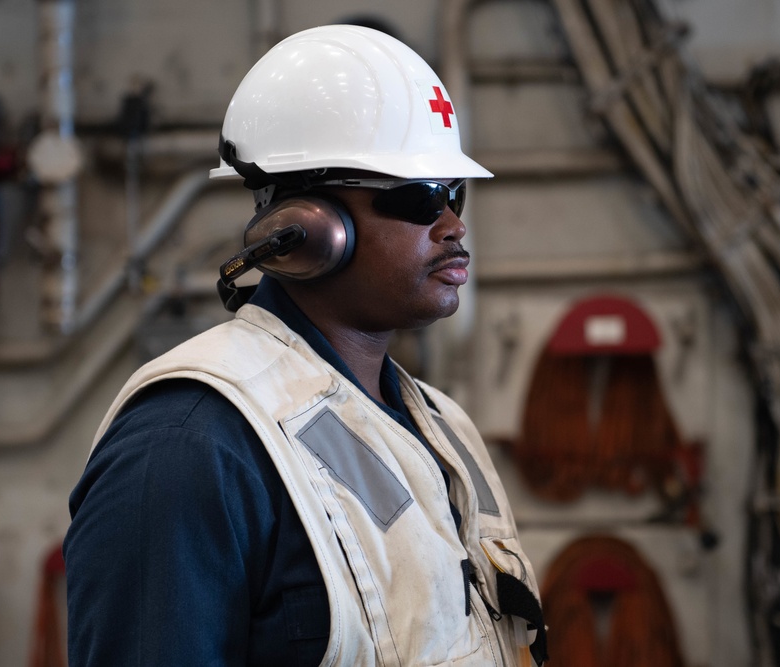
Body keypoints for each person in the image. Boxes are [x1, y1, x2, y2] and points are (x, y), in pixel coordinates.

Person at [64, 24, 547, 667]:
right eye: (419, 197)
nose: (454, 225)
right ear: (306, 231)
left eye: (453, 193)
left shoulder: (443, 428)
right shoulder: (190, 445)